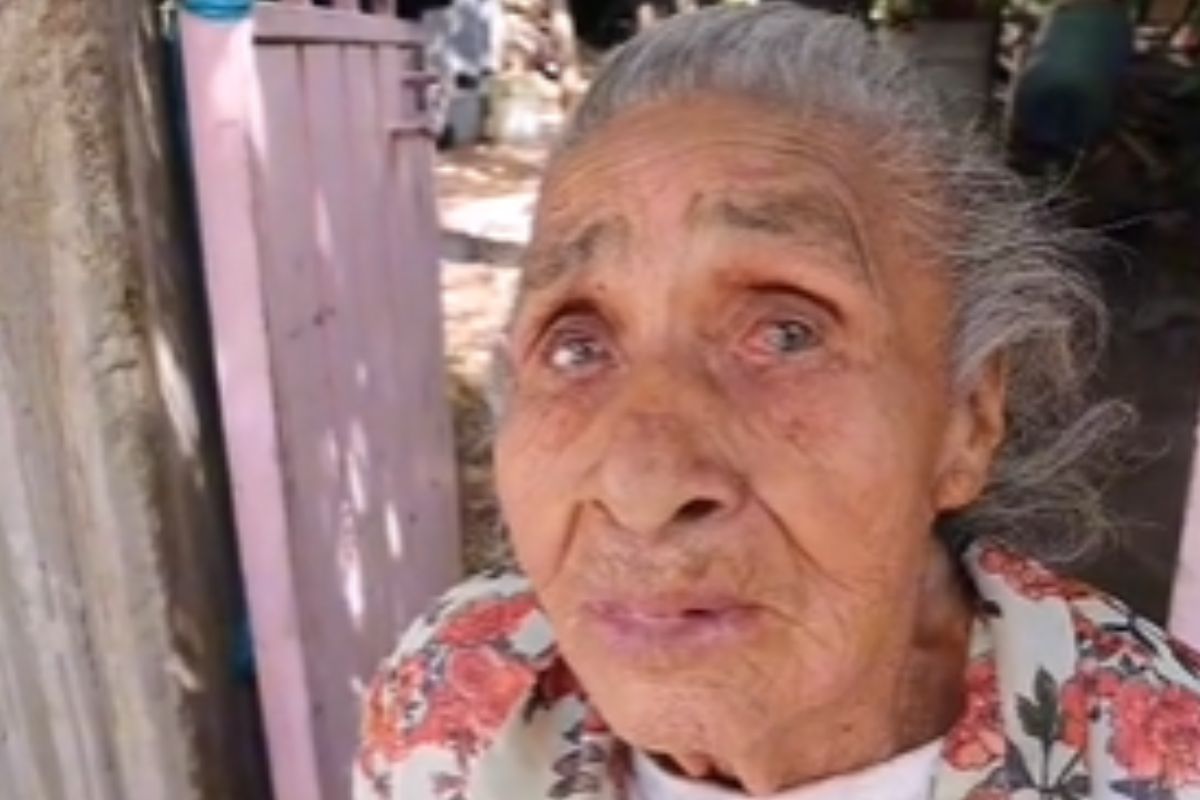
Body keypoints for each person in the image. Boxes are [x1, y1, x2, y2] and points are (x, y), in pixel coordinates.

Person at [354, 6, 1200, 798]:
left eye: (788, 333)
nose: (643, 489)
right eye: (577, 345)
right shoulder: (449, 687)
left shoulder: (1161, 758)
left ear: (967, 417)